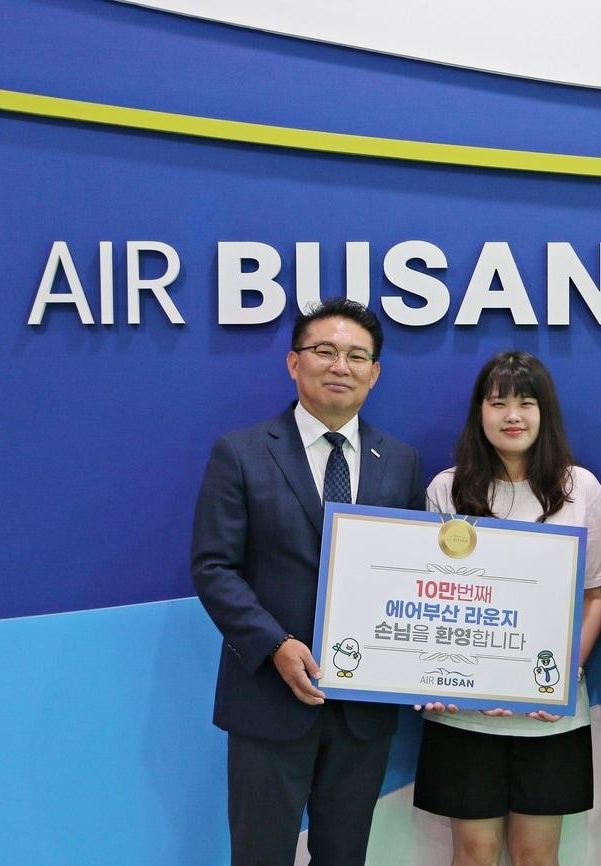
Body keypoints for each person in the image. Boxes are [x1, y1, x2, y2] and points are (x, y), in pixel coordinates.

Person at [192, 298, 424, 866]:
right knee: (260, 854)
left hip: (362, 709)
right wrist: (274, 645)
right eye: (324, 351)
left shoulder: (400, 461)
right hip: (270, 699)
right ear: (294, 363)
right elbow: (213, 567)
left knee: (344, 854)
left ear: (375, 373)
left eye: (356, 355)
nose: (339, 366)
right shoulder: (242, 453)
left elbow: (415, 575)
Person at [412, 350, 601, 866]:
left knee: (536, 857)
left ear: (546, 413)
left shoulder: (579, 488)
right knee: (473, 854)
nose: (512, 415)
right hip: (464, 716)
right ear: (480, 412)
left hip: (548, 713)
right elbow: (430, 602)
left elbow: (592, 599)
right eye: (498, 402)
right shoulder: (445, 489)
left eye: (526, 402)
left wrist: (559, 677)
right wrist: (436, 676)